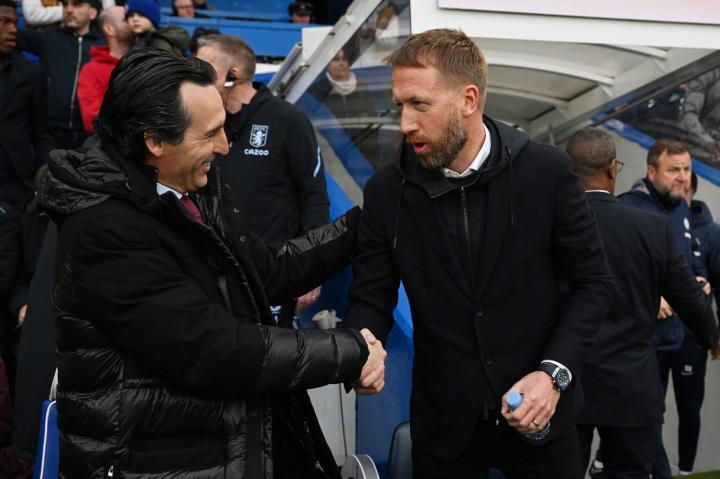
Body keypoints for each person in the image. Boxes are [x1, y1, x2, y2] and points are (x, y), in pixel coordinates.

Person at [37, 48, 386, 478]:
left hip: (222, 446)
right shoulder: (105, 230)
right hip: (159, 464)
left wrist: (366, 221)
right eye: (210, 134)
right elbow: (215, 349)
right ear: (154, 141)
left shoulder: (193, 189)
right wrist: (350, 352)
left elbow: (266, 272)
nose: (224, 147)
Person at [344, 29, 613, 478]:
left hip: (543, 419)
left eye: (419, 104)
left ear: (468, 100)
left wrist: (553, 374)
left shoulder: (547, 172)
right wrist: (361, 345)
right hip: (445, 427)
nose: (405, 123)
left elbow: (594, 284)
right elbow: (371, 294)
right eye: (400, 106)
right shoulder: (386, 192)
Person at [566, 128, 720, 479]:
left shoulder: (548, 226)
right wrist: (710, 335)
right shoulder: (651, 226)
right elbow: (688, 296)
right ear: (612, 169)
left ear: (568, 172)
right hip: (630, 382)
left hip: (566, 380)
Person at [196, 34, 330, 325]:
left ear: (233, 75)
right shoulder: (206, 121)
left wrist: (311, 269)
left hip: (272, 272)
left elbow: (315, 197)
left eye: (205, 70)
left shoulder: (287, 120)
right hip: (216, 272)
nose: (197, 79)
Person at [618, 138, 710, 479]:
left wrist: (697, 280)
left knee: (656, 417)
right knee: (643, 421)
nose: (683, 177)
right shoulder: (628, 207)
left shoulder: (680, 209)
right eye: (674, 170)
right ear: (651, 172)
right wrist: (649, 297)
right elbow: (611, 271)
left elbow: (682, 264)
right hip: (636, 341)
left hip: (674, 337)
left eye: (686, 169)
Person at [16, 0, 104, 149]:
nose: (68, 10)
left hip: (90, 137)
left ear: (93, 12)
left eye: (77, 4)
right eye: (65, 4)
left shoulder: (103, 46)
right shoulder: (48, 38)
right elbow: (11, 35)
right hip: (48, 134)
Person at [0, 0, 54, 209]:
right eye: (4, 21)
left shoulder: (30, 73)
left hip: (17, 187)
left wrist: (43, 172)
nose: (13, 29)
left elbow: (41, 133)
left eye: (15, 23)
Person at [78, 5, 133, 133]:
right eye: (126, 19)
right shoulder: (91, 70)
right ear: (109, 29)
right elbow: (92, 119)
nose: (132, 21)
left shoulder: (145, 59)